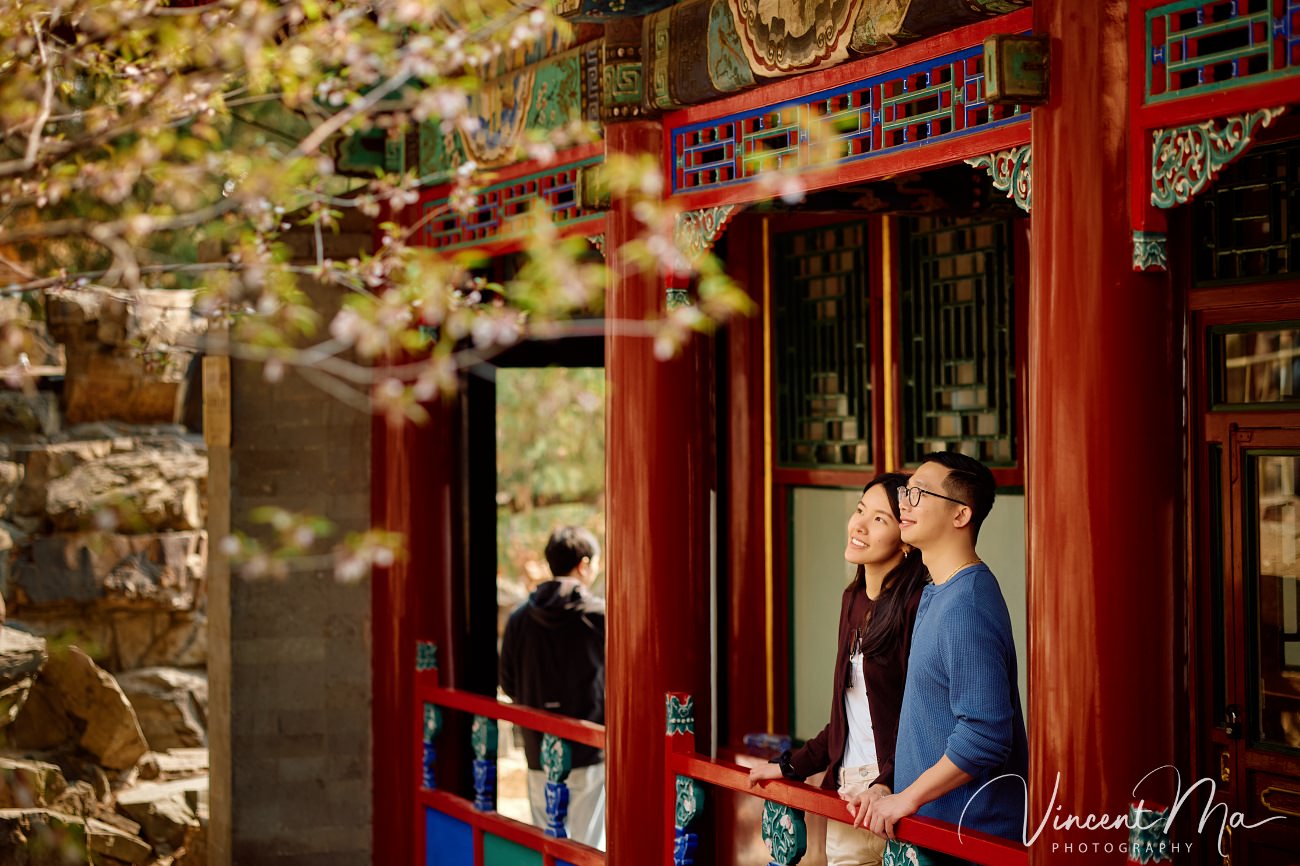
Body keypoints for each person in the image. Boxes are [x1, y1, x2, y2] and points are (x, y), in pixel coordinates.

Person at [850, 451, 1028, 853]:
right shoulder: (937, 591)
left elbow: (985, 734)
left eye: (920, 494)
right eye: (905, 492)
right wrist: (888, 788)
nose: (904, 504)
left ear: (961, 515)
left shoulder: (967, 603)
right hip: (931, 836)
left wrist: (907, 798)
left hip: (967, 840)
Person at [749, 473, 928, 866]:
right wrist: (789, 765)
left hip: (901, 799)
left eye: (880, 519)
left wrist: (887, 784)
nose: (859, 525)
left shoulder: (919, 607)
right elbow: (847, 721)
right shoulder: (854, 600)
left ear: (907, 540)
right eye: (860, 510)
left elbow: (923, 720)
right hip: (851, 798)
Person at [499, 526, 606, 849]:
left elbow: (508, 681)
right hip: (589, 745)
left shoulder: (520, 618)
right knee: (587, 846)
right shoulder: (600, 616)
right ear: (584, 565)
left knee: (548, 844)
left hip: (538, 747)